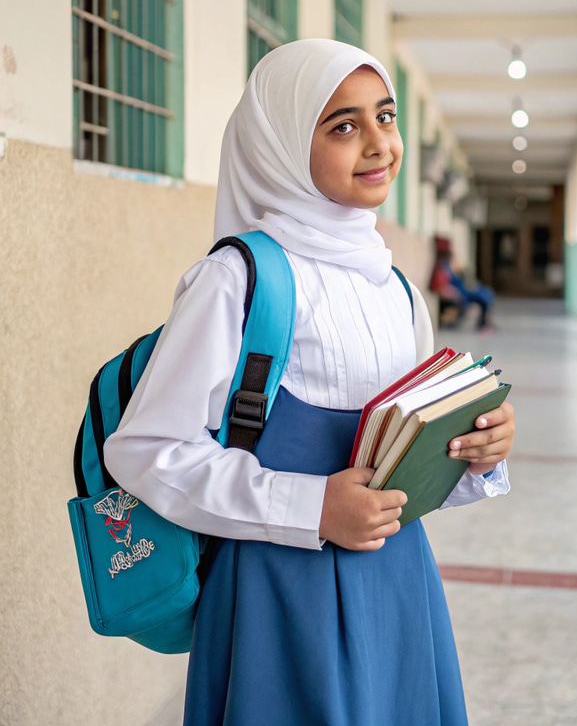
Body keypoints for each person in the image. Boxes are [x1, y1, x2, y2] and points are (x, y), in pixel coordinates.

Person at [104, 39, 515, 726]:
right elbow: (145, 450)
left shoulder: (398, 290)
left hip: (398, 583)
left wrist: (477, 453)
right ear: (284, 146)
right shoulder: (238, 280)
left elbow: (402, 463)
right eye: (343, 126)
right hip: (278, 597)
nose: (379, 143)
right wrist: (312, 508)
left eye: (385, 116)